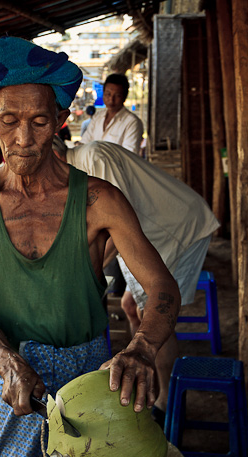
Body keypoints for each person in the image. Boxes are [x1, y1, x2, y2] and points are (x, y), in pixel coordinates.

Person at [0, 37, 180, 457]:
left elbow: (162, 286)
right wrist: (7, 363)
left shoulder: (100, 201)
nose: (23, 138)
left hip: (94, 377)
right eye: (9, 120)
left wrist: (142, 347)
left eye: (39, 121)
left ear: (60, 119)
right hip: (21, 384)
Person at [55, 139, 220, 422]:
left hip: (175, 229)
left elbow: (118, 224)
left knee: (153, 315)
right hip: (153, 233)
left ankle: (167, 405)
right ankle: (145, 378)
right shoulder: (78, 171)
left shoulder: (92, 158)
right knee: (131, 306)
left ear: (55, 153)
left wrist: (80, 276)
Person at [80, 74, 143, 155]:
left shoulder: (132, 122)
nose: (111, 100)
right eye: (108, 94)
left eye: (117, 96)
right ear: (103, 94)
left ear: (124, 97)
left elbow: (129, 156)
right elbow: (84, 142)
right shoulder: (97, 117)